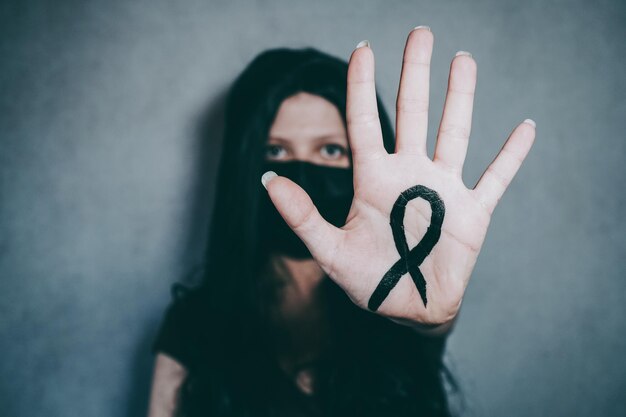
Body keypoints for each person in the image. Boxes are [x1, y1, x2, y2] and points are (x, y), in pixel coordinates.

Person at [147, 26, 536, 417]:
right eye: (275, 150)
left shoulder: (394, 302)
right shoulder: (195, 324)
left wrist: (430, 307)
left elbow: (425, 317)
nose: (300, 174)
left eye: (330, 149)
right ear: (243, 166)